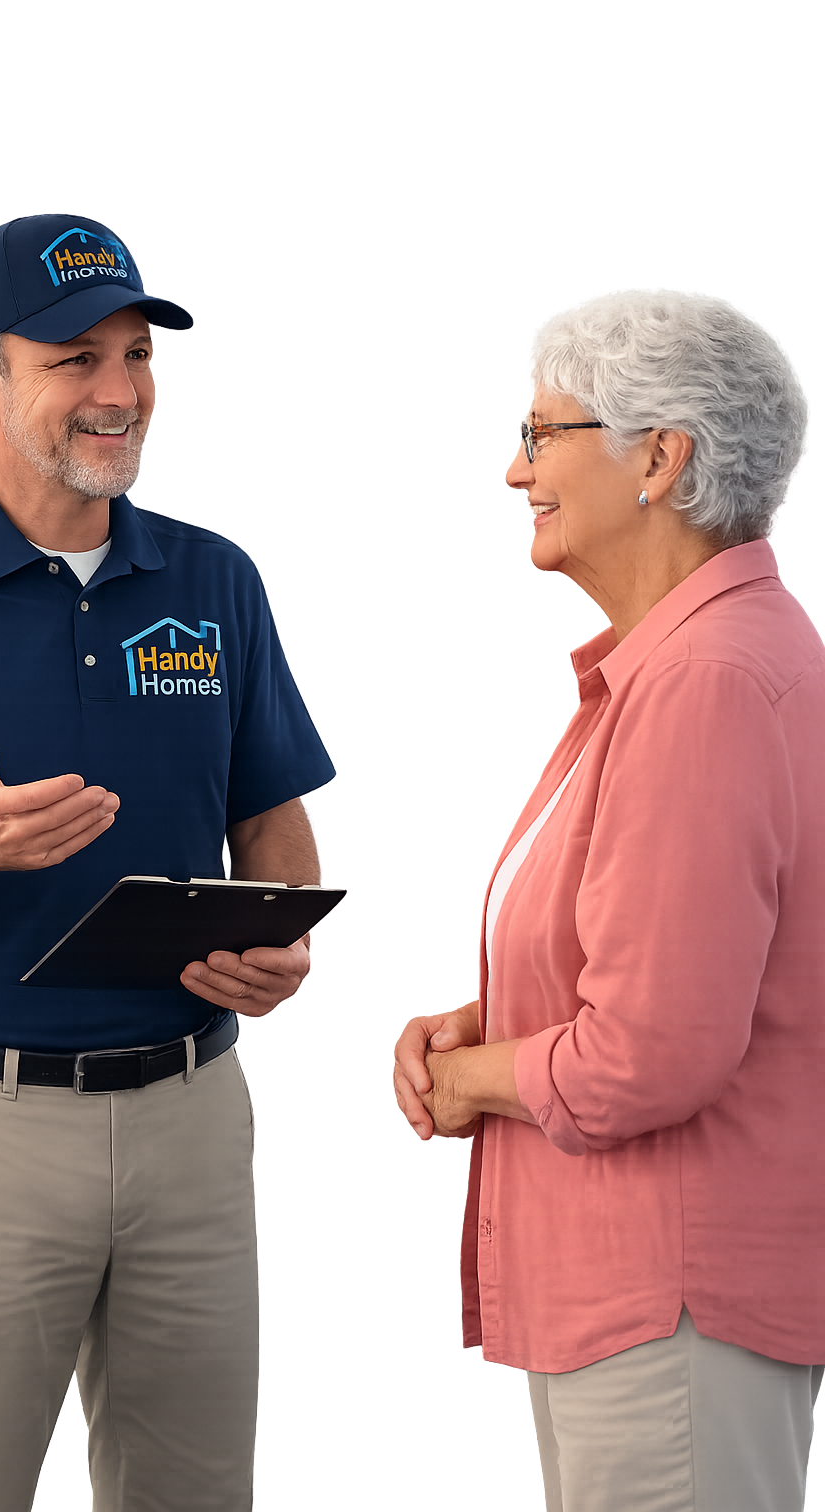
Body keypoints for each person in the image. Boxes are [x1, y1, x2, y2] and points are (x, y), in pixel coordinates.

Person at [0, 213, 334, 1512]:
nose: (119, 392)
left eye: (138, 354)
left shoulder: (219, 584)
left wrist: (282, 940)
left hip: (193, 1115)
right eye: (72, 357)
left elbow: (271, 820)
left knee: (196, 1488)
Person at [394, 291, 825, 1512]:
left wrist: (471, 1081)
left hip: (671, 1313)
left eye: (540, 435)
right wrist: (489, 1034)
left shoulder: (708, 685)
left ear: (661, 457)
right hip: (653, 1310)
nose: (510, 470)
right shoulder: (684, 671)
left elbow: (649, 1054)